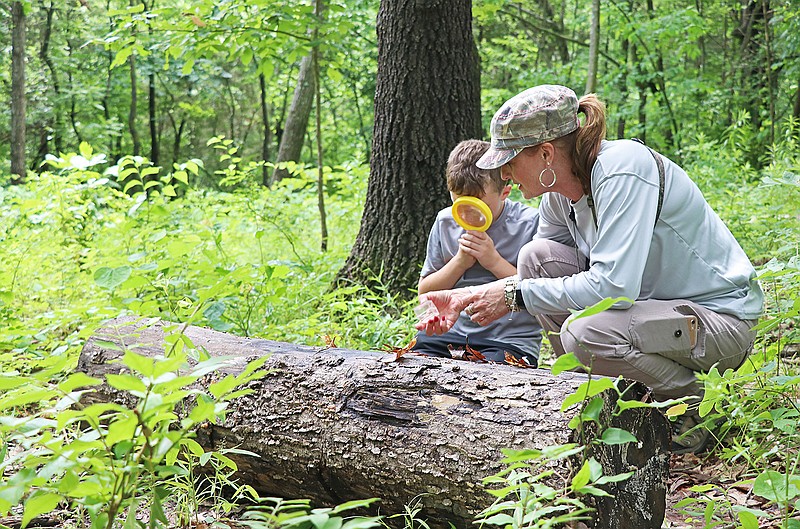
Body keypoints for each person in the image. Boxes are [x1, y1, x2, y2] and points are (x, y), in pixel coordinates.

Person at [415, 85, 764, 453]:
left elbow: (614, 287)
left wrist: (512, 295)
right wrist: (467, 294)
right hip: (653, 318)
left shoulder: (623, 169)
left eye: (509, 161)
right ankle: (607, 398)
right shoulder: (557, 196)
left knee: (583, 332)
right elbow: (536, 276)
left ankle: (692, 406)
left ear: (546, 154)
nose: (505, 175)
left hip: (719, 322)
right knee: (536, 258)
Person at [414, 139, 542, 365]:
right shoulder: (445, 222)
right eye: (459, 203)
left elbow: (541, 292)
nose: (468, 214)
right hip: (449, 335)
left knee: (495, 382)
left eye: (477, 203)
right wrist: (460, 262)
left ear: (505, 192)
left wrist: (493, 261)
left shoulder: (529, 223)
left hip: (509, 340)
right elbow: (425, 291)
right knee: (413, 370)